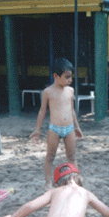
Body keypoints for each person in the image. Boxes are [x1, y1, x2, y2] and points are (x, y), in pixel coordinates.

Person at [30, 58, 83, 191]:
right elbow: (42, 111)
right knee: (50, 156)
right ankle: (48, 182)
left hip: (69, 128)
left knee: (72, 156)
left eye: (71, 77)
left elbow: (71, 110)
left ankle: (75, 181)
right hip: (54, 129)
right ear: (56, 76)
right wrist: (37, 130)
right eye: (67, 77)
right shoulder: (48, 91)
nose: (70, 80)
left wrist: (77, 127)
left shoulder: (70, 90)